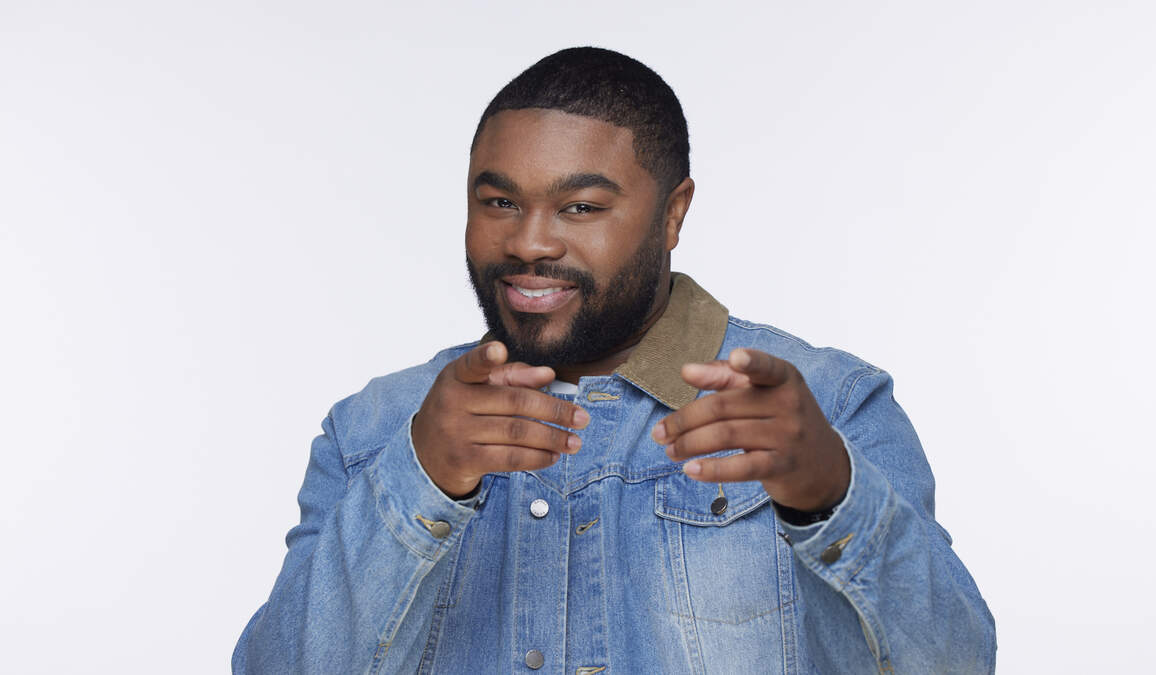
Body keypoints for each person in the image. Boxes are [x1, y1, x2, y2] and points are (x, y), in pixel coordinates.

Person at [233, 46, 996, 674]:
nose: (530, 241)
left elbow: (955, 663)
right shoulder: (374, 429)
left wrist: (830, 494)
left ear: (673, 214)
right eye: (499, 202)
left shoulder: (825, 407)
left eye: (581, 207)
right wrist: (418, 477)